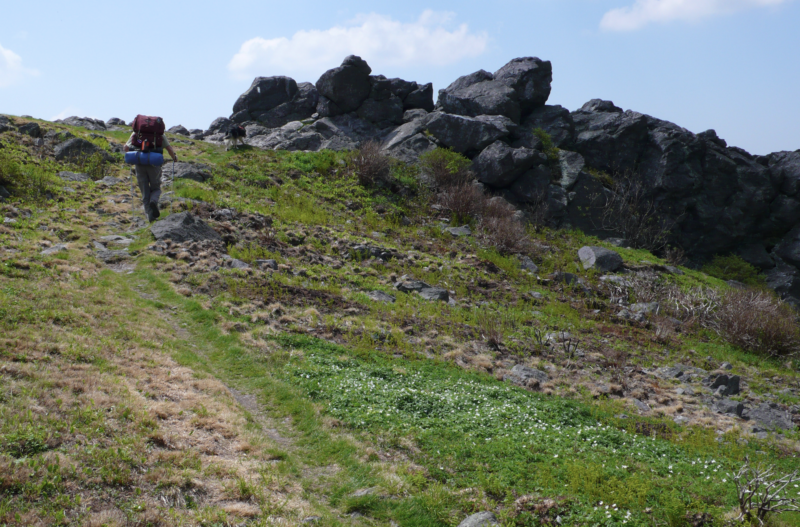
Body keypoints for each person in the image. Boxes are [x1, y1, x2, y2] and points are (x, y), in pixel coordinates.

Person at [123, 132, 178, 222]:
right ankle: (153, 201)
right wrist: (174, 158)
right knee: (156, 188)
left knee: (145, 191)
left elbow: (126, 148)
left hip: (139, 163)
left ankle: (150, 216)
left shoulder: (136, 133)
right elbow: (169, 148)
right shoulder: (159, 134)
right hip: (154, 164)